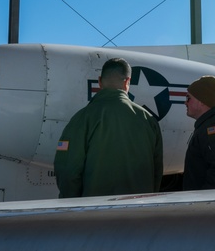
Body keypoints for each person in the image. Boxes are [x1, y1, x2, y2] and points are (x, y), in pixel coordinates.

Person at [54, 58, 163, 198]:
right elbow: (157, 171)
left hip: (96, 213)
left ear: (99, 81)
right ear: (127, 82)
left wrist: (70, 204)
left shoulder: (81, 119)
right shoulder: (149, 120)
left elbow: (67, 167)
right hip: (137, 213)